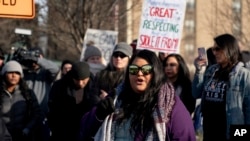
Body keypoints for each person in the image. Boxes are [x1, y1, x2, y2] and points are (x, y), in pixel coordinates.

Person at [79, 49, 196, 141]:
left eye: (146, 69)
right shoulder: (116, 98)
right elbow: (83, 131)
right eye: (134, 69)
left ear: (155, 72)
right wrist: (98, 114)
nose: (139, 74)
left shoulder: (170, 105)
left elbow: (185, 136)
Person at [192, 33, 250, 141]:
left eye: (218, 49)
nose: (215, 53)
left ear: (229, 49)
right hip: (210, 132)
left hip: (229, 132)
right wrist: (199, 71)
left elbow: (248, 109)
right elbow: (196, 93)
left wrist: (243, 135)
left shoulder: (244, 75)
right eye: (214, 49)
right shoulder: (211, 71)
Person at [48, 61, 94, 141]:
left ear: (88, 77)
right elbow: (52, 110)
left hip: (85, 133)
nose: (80, 83)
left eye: (83, 80)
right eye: (77, 80)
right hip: (62, 133)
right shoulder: (59, 86)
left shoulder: (95, 88)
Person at [21, 47, 59, 141]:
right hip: (25, 116)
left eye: (37, 56)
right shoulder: (23, 73)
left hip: (42, 116)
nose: (33, 60)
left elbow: (55, 69)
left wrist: (37, 59)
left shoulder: (46, 73)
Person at [0, 61, 44, 141]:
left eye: (17, 73)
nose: (13, 76)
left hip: (22, 136)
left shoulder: (28, 93)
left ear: (21, 75)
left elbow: (37, 113)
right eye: (10, 72)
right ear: (4, 74)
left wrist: (28, 128)